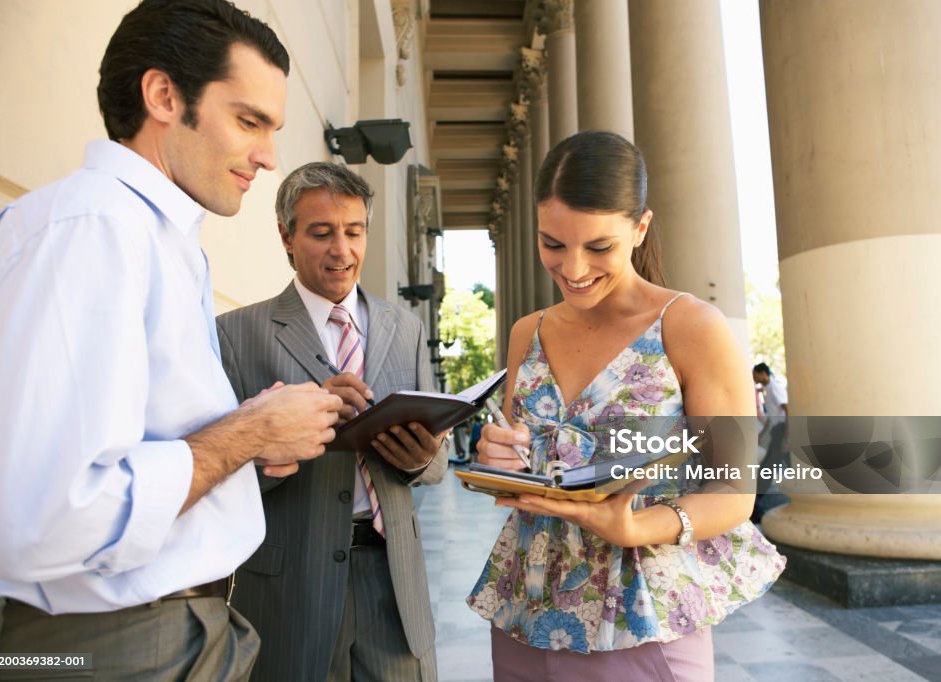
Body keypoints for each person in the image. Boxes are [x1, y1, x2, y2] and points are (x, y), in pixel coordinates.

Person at [0, 1, 346, 679]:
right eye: (249, 121)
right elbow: (46, 518)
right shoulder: (93, 231)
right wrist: (247, 433)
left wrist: (250, 441)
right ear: (163, 96)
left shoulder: (148, 235)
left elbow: (130, 448)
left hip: (164, 631)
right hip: (110, 647)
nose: (268, 156)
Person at [467, 131, 786, 680]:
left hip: (639, 608)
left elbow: (734, 492)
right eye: (552, 244)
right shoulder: (527, 332)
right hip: (524, 601)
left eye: (598, 247)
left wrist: (634, 529)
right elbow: (521, 457)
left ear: (639, 228)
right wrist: (497, 455)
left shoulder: (690, 327)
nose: (572, 268)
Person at [216, 162, 448, 681]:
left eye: (354, 232)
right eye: (321, 233)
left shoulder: (405, 329)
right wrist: (289, 433)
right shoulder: (235, 334)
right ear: (287, 238)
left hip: (393, 585)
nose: (341, 250)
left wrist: (424, 457)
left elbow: (438, 465)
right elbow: (216, 471)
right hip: (287, 584)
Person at [752, 362, 790, 521]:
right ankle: (756, 504)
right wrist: (763, 431)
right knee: (773, 465)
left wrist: (787, 437)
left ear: (763, 373)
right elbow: (772, 413)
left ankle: (756, 506)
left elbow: (787, 410)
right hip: (776, 430)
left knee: (768, 466)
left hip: (782, 430)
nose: (753, 377)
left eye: (755, 374)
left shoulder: (775, 387)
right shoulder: (767, 389)